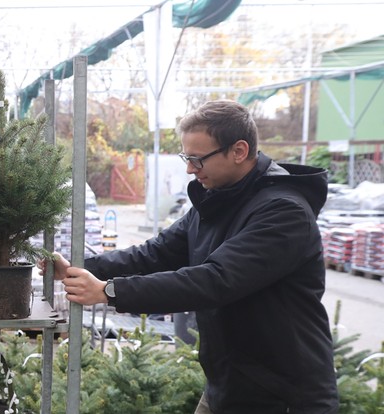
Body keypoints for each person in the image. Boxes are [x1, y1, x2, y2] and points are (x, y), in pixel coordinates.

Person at [45, 100, 339, 413]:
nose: (189, 169)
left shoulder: (284, 213)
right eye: (187, 158)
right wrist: (80, 268)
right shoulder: (216, 201)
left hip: (284, 396)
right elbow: (156, 253)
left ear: (238, 151)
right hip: (228, 387)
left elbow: (215, 280)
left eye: (197, 159)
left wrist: (108, 291)